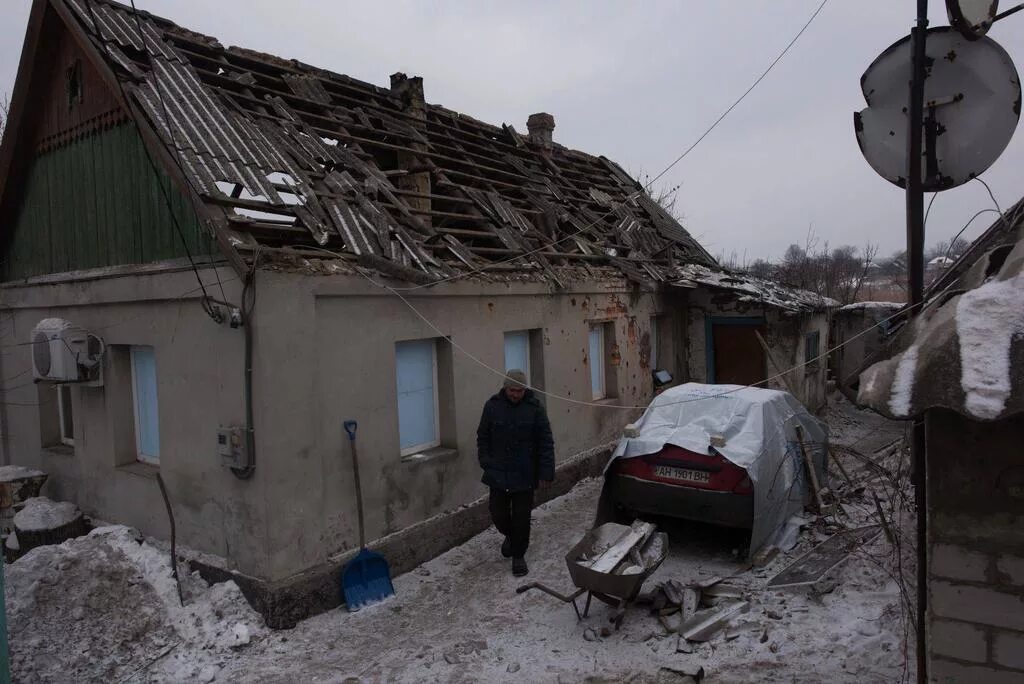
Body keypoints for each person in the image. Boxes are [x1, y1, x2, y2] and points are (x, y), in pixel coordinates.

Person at [477, 369, 555, 577]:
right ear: (505, 388)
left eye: (519, 391)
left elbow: (546, 442)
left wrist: (546, 473)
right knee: (498, 514)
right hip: (498, 473)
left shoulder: (535, 409)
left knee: (522, 517)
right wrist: (485, 460)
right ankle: (511, 536)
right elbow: (482, 436)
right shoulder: (492, 406)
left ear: (525, 390)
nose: (515, 394)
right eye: (512, 390)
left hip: (525, 474)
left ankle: (518, 556)